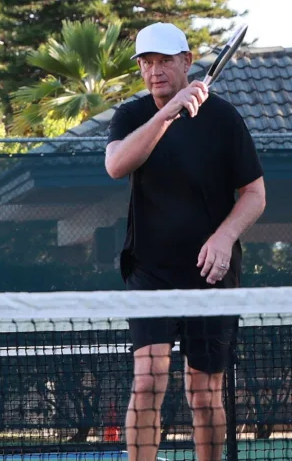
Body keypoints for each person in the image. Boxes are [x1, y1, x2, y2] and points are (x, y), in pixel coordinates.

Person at [104, 23, 266, 461]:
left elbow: (255, 194)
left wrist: (224, 237)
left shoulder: (225, 119)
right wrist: (167, 112)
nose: (154, 71)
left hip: (211, 274)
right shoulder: (131, 116)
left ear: (187, 62)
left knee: (203, 390)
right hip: (149, 271)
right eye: (146, 63)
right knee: (148, 378)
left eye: (164, 62)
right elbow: (117, 165)